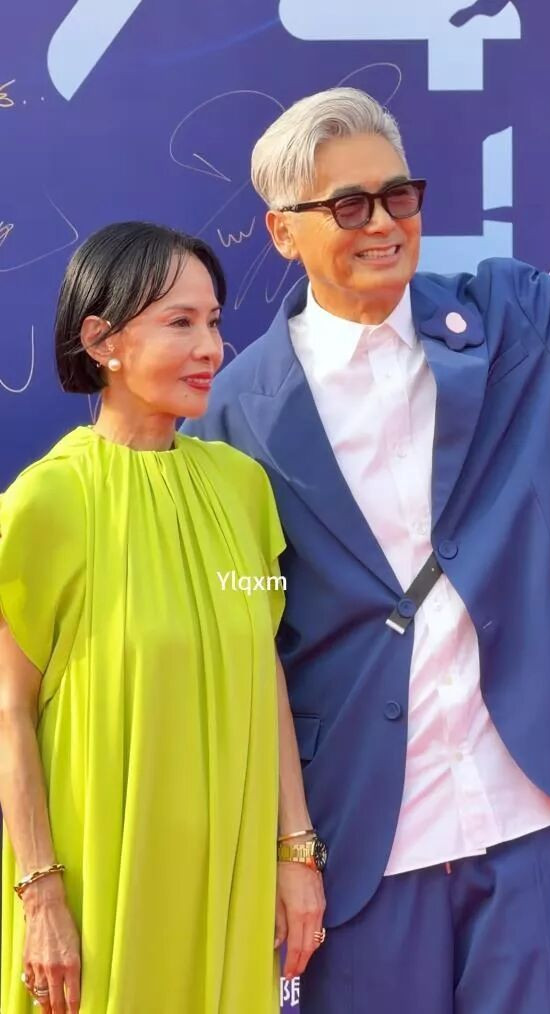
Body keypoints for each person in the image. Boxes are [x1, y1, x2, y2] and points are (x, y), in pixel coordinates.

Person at [186, 87, 550, 1013]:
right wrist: (286, 845)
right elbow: (242, 646)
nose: (384, 224)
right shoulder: (234, 414)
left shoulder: (513, 320)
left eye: (399, 195)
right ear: (283, 232)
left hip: (532, 804)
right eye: (349, 205)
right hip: (363, 837)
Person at [0, 221, 324, 1014]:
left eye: (213, 321)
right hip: (99, 876)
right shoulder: (48, 501)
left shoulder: (242, 489)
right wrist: (42, 898)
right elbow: (9, 714)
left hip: (229, 869)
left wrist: (297, 851)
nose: (210, 347)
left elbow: (264, 673)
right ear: (101, 340)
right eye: (180, 322)